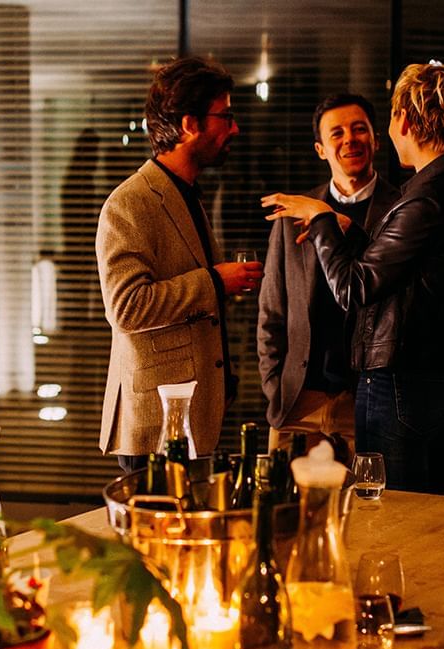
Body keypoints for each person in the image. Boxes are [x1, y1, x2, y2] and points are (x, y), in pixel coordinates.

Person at [262, 62, 444, 495]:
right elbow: (421, 275)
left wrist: (322, 220)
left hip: (403, 387)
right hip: (443, 381)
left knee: (395, 522)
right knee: (432, 516)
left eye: (385, 120)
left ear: (403, 120)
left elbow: (354, 289)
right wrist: (360, 234)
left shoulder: (424, 198)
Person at [96, 56, 262, 471]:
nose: (234, 128)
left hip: (190, 416)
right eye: (225, 116)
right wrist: (214, 282)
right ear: (190, 125)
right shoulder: (130, 202)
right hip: (154, 424)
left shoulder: (187, 192)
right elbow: (127, 307)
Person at [257, 93, 400, 459]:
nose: (349, 139)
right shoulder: (294, 213)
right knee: (285, 511)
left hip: (365, 396)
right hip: (298, 398)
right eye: (336, 133)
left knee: (371, 512)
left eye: (359, 129)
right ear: (321, 149)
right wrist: (274, 387)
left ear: (376, 140)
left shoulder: (401, 210)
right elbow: (272, 311)